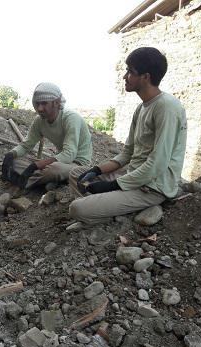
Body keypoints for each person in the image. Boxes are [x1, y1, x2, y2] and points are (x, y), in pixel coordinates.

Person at [68, 47, 187, 226]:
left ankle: (108, 216)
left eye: (130, 72)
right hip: (134, 176)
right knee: (77, 174)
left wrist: (112, 185)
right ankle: (109, 209)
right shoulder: (141, 108)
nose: (125, 76)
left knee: (76, 209)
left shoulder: (167, 107)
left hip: (153, 186)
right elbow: (127, 154)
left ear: (145, 77)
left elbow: (157, 164)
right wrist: (96, 171)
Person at [1, 82, 92, 191]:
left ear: (57, 102)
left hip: (78, 164)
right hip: (59, 160)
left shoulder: (71, 118)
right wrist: (10, 155)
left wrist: (35, 166)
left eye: (44, 103)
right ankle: (47, 182)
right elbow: (26, 145)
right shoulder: (39, 121)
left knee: (54, 170)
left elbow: (69, 154)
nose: (39, 108)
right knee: (15, 162)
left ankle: (24, 183)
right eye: (37, 103)